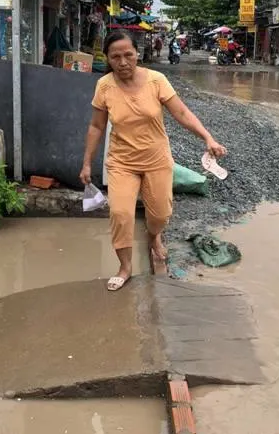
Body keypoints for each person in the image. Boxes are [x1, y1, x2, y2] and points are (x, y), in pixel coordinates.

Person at [80, 30, 227, 291]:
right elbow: (96, 126)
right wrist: (87, 163)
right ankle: (125, 267)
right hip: (122, 162)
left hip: (157, 159)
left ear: (137, 53)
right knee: (120, 214)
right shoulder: (104, 86)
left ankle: (154, 236)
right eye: (115, 57)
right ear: (108, 59)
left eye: (128, 55)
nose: (123, 62)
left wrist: (208, 138)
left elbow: (182, 112)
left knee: (160, 214)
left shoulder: (156, 80)